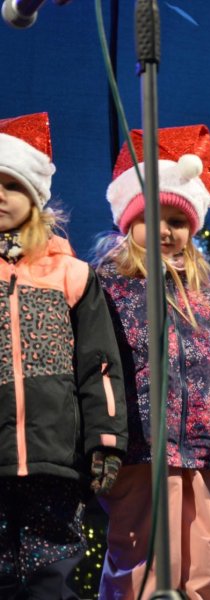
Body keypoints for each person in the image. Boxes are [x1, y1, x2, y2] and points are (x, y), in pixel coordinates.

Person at [94, 125, 210, 599]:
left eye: (177, 221)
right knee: (146, 557)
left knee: (209, 555)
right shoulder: (109, 282)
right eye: (153, 217)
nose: (166, 230)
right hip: (142, 442)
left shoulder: (208, 291)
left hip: (203, 443)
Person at [0, 112, 127, 599]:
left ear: (34, 198)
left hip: (55, 461)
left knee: (49, 579)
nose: (1, 195)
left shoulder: (71, 275)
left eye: (12, 185)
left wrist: (106, 441)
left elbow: (100, 366)